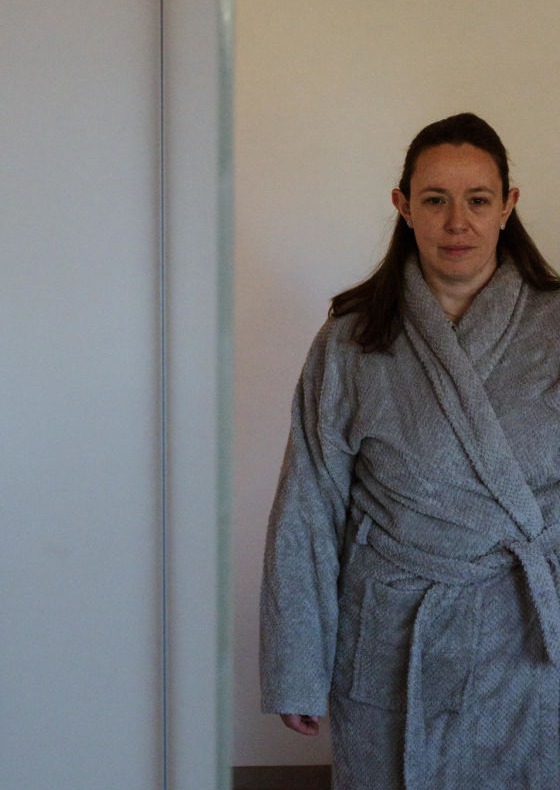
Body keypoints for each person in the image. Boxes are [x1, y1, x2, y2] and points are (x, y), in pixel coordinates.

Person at [260, 112, 560, 790]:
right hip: (393, 635)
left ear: (508, 206)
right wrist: (297, 667)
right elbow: (308, 506)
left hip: (524, 639)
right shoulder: (351, 340)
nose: (457, 222)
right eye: (434, 199)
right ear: (403, 206)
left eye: (477, 200)